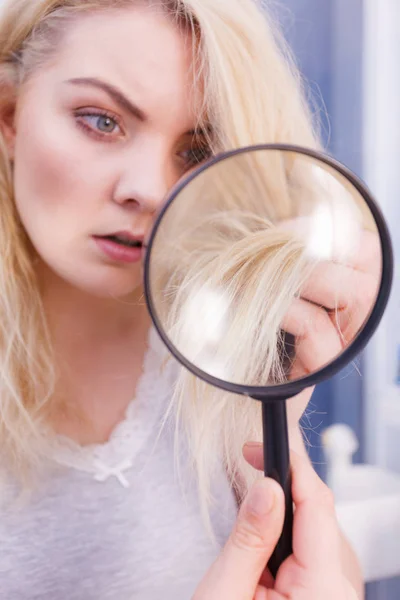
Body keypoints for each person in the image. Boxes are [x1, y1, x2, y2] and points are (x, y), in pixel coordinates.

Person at [0, 0, 366, 598]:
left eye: (197, 153)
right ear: (10, 114)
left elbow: (318, 567)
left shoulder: (220, 348)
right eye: (100, 121)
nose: (149, 190)